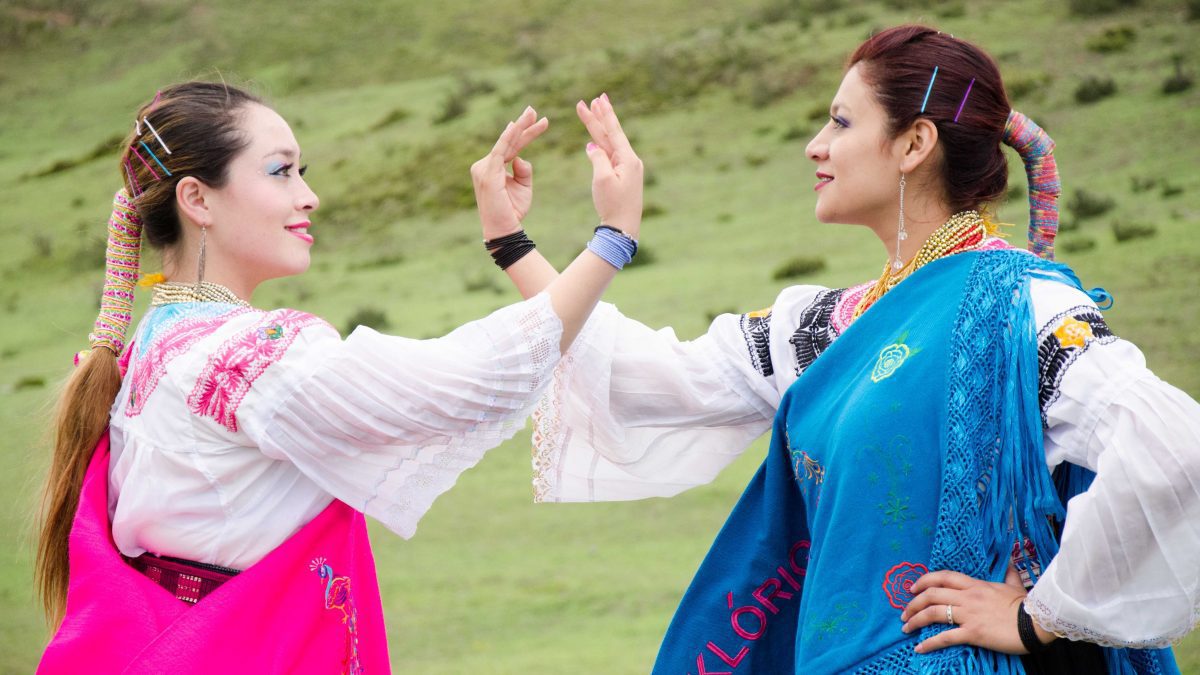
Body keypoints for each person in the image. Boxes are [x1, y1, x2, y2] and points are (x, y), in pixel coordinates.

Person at [489, 27, 1199, 673]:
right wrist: (519, 242)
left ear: (915, 144)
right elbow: (635, 374)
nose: (815, 145)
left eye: (840, 121)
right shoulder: (825, 326)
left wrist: (1035, 616)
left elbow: (1174, 447)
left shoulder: (1028, 310)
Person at [35, 81, 643, 673]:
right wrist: (613, 237)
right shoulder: (247, 356)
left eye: (302, 171)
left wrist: (513, 242)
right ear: (197, 200)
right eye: (281, 172)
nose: (309, 197)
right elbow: (473, 379)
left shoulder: (152, 343)